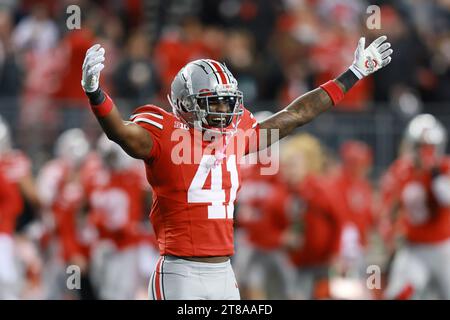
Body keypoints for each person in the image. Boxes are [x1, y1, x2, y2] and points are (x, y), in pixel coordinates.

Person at [80, 36, 393, 300]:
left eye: (228, 102)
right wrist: (95, 94)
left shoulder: (238, 134)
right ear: (185, 104)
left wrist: (352, 74)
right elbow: (119, 132)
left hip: (224, 272)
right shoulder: (163, 135)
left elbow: (297, 114)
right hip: (180, 271)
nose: (224, 112)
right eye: (213, 102)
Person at [381, 114, 450, 299]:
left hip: (443, 248)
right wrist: (390, 232)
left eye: (429, 147)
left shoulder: (444, 169)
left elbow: (446, 198)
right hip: (414, 248)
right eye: (420, 146)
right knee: (398, 293)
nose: (424, 151)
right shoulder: (401, 170)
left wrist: (434, 173)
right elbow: (391, 207)